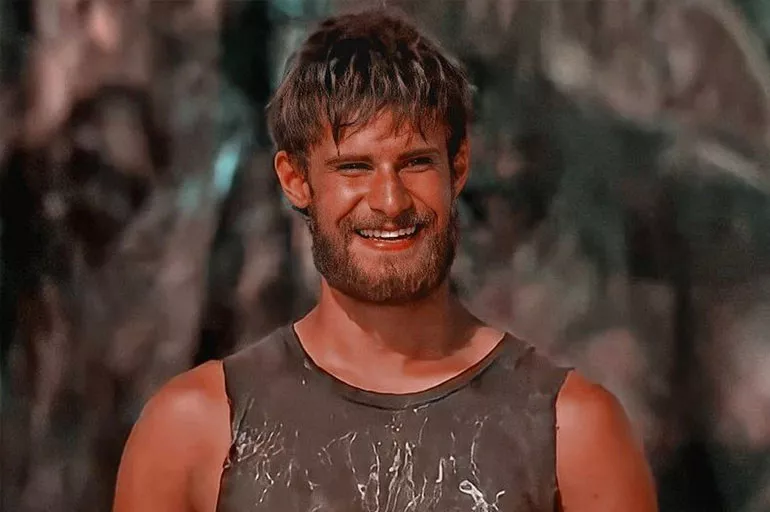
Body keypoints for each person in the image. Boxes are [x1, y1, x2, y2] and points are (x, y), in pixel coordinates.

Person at [113, 9, 657, 512]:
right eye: (354, 168)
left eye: (416, 162)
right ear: (295, 179)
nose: (391, 201)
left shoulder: (574, 433)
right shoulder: (194, 430)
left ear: (458, 167)